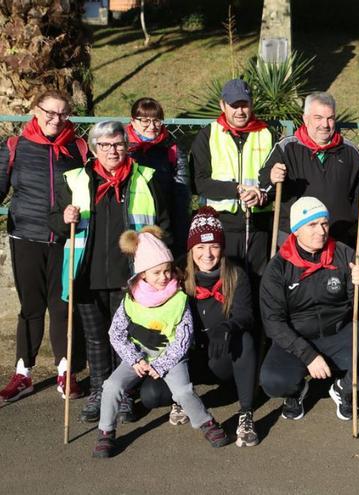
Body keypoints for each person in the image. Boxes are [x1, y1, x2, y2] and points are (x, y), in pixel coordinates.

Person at [48, 120, 171, 423]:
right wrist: (64, 218)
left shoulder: (146, 178)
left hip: (128, 274)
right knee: (95, 338)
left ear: (127, 146)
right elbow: (54, 223)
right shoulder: (75, 179)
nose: (113, 150)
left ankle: (124, 393)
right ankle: (100, 392)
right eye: (105, 145)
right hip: (87, 273)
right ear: (93, 149)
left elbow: (165, 221)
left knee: (125, 338)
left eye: (118, 143)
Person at [92, 227, 229, 458]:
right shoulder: (132, 297)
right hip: (137, 355)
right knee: (112, 386)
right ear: (142, 274)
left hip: (170, 357)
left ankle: (206, 423)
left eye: (167, 271)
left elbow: (184, 337)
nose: (164, 277)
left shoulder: (178, 297)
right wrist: (134, 358)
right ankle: (106, 432)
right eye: (156, 273)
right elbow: (115, 333)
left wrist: (162, 364)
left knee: (183, 391)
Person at [259, 197, 359, 422]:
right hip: (297, 336)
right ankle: (296, 392)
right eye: (312, 225)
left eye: (325, 223)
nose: (321, 231)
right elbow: (273, 322)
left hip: (340, 331)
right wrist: (308, 355)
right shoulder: (278, 267)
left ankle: (343, 389)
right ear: (296, 230)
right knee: (273, 381)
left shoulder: (344, 254)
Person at [139, 207, 259, 447]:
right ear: (191, 249)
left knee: (244, 339)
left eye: (213, 246)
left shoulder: (236, 275)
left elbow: (246, 315)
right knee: (151, 396)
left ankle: (246, 413)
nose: (207, 254)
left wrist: (227, 327)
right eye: (200, 247)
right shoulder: (177, 276)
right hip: (186, 357)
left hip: (220, 355)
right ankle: (181, 396)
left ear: (222, 248)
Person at [0, 90, 88, 403]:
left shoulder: (78, 147)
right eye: (50, 112)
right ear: (35, 110)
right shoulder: (15, 146)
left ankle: (67, 371)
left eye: (63, 114)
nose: (56, 119)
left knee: (64, 307)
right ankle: (23, 373)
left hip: (66, 241)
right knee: (31, 309)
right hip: (26, 237)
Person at [261, 92, 359, 248]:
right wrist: (272, 179)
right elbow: (264, 187)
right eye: (318, 118)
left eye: (330, 118)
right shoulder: (286, 148)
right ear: (306, 119)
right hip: (294, 239)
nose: (325, 125)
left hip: (337, 239)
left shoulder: (349, 151)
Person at [190, 79, 274, 275]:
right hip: (221, 225)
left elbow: (275, 179)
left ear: (251, 104)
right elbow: (199, 183)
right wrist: (236, 189)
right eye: (234, 105)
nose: (240, 111)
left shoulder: (267, 133)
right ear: (222, 105)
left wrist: (262, 195)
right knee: (226, 284)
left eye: (244, 105)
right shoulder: (208, 134)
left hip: (258, 224)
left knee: (257, 283)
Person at [127, 97, 191, 255]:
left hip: (164, 219)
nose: (152, 126)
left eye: (156, 120)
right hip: (131, 220)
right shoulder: (122, 148)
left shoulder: (172, 149)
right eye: (145, 120)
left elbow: (182, 194)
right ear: (133, 121)